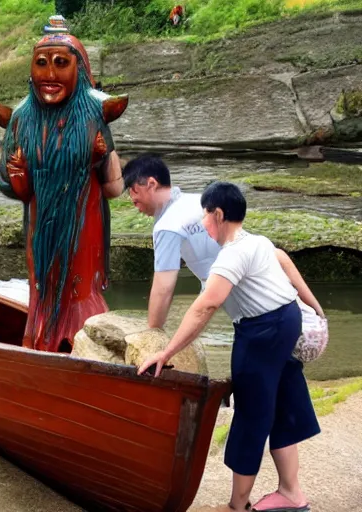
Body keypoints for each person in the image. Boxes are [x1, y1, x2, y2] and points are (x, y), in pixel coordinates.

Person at [138, 181, 323, 512]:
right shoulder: (259, 242)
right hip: (286, 321)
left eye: (205, 216)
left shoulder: (231, 257)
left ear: (218, 214)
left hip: (261, 334)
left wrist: (165, 352)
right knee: (280, 402)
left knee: (251, 415)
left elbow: (204, 308)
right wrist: (316, 308)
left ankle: (237, 506)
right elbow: (285, 264)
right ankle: (291, 492)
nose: (202, 223)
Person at [0, 19, 128, 352]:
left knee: (81, 289)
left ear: (79, 70)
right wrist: (18, 174)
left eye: (60, 63)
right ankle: (42, 344)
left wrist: (101, 157)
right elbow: (11, 188)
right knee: (45, 288)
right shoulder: (23, 117)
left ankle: (88, 346)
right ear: (31, 71)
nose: (50, 74)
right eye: (42, 64)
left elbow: (112, 188)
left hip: (85, 221)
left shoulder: (94, 111)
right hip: (40, 227)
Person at [122, 154, 221, 330]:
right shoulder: (199, 200)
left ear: (151, 184)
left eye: (133, 191)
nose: (133, 202)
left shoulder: (168, 225)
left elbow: (163, 288)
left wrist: (152, 333)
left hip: (256, 303)